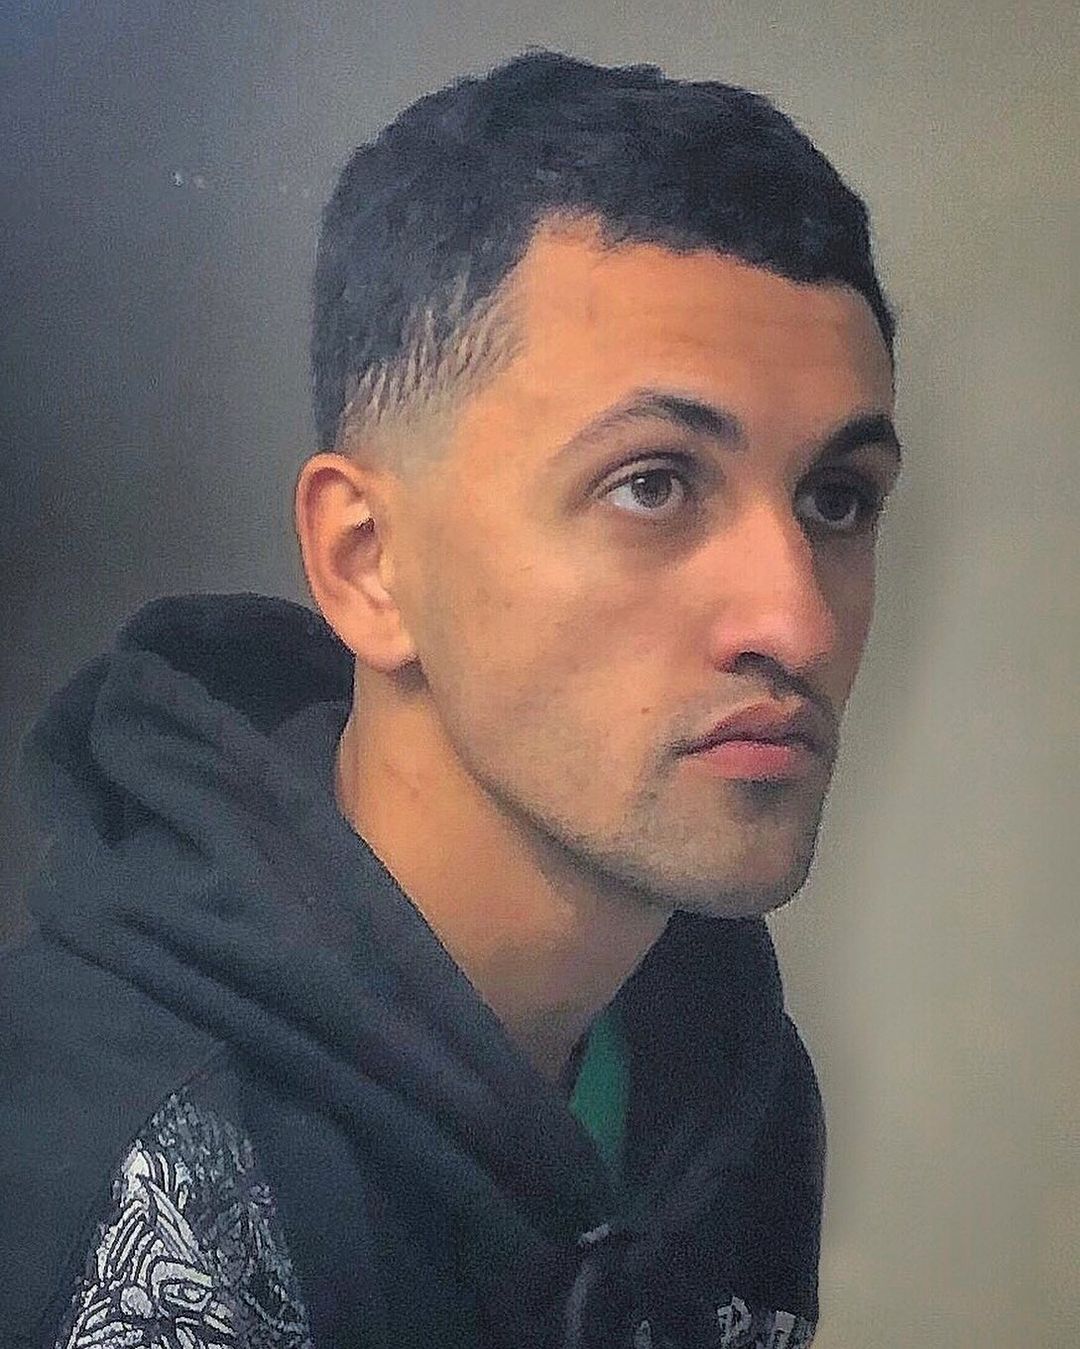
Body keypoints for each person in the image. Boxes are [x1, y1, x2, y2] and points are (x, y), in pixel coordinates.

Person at [0, 48, 901, 1349]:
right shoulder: (93, 1191)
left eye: (837, 499)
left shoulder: (722, 1085)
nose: (799, 620)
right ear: (370, 563)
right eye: (651, 483)